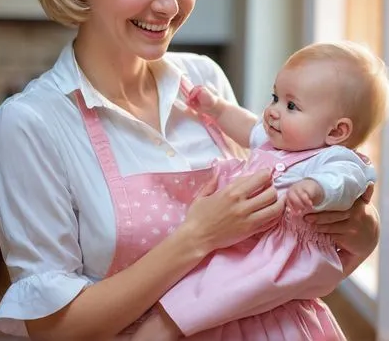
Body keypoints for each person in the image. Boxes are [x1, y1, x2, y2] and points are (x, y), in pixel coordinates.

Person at [0, 0, 380, 341]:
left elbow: (271, 273)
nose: (169, 5)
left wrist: (361, 237)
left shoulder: (204, 81)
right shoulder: (32, 124)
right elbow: (54, 329)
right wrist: (198, 237)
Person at [131, 41, 388, 340]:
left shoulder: (333, 159)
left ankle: (164, 326)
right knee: (201, 289)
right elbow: (245, 126)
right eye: (275, 97)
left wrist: (316, 189)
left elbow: (345, 181)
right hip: (246, 241)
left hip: (274, 253)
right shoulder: (273, 141)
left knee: (199, 298)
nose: (273, 111)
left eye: (291, 106)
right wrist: (216, 108)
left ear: (336, 132)